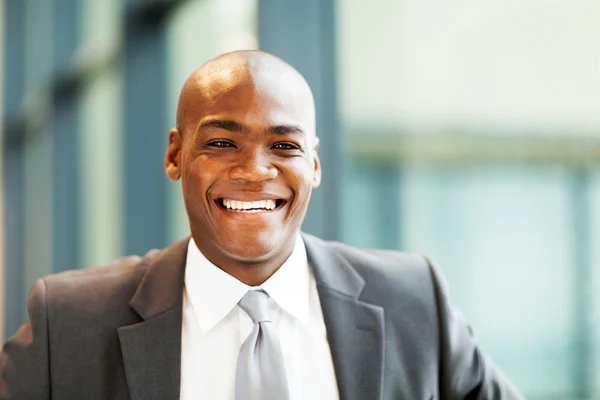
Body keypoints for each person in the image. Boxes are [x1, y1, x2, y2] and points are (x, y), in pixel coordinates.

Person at [0, 50, 524, 400]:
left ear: (314, 165)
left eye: (284, 146)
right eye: (222, 143)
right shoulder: (68, 324)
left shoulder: (414, 302)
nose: (254, 170)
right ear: (175, 154)